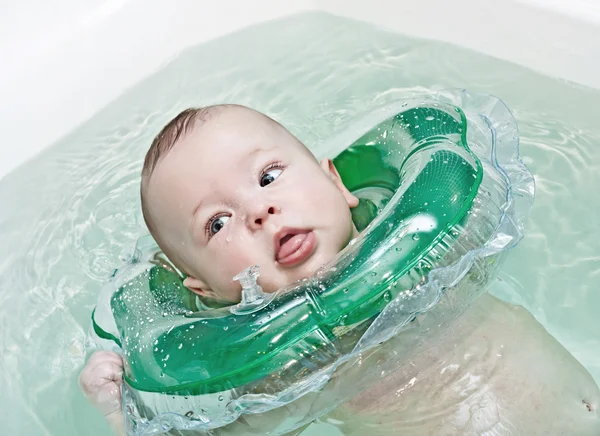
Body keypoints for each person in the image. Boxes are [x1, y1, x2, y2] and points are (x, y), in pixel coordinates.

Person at [80, 104, 600, 435]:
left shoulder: (438, 249)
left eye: (268, 176)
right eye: (217, 223)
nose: (259, 212)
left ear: (337, 184)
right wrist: (118, 412)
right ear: (208, 291)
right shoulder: (283, 372)